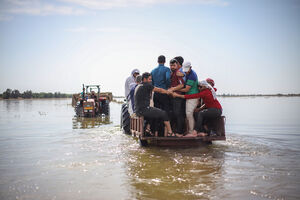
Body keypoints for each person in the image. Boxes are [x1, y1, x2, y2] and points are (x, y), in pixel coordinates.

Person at [134, 72, 174, 137]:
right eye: (149, 79)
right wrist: (168, 92)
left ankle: (148, 129)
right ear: (144, 79)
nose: (151, 81)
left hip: (138, 110)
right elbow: (159, 90)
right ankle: (170, 132)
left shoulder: (139, 86)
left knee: (154, 114)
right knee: (164, 113)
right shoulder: (147, 85)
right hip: (144, 109)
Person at [177, 61, 199, 134]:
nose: (185, 72)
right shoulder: (187, 73)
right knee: (188, 114)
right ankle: (189, 130)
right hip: (188, 96)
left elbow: (186, 89)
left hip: (193, 97)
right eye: (185, 71)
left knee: (189, 113)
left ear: (190, 68)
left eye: (187, 70)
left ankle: (191, 131)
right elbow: (184, 76)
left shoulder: (192, 75)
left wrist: (175, 89)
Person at [167, 58, 185, 135]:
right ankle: (175, 130)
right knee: (174, 113)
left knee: (178, 113)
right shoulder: (172, 73)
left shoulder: (178, 73)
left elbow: (182, 85)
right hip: (172, 95)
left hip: (177, 95)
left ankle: (180, 131)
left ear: (177, 65)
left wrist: (173, 89)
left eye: (174, 65)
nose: (172, 67)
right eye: (171, 65)